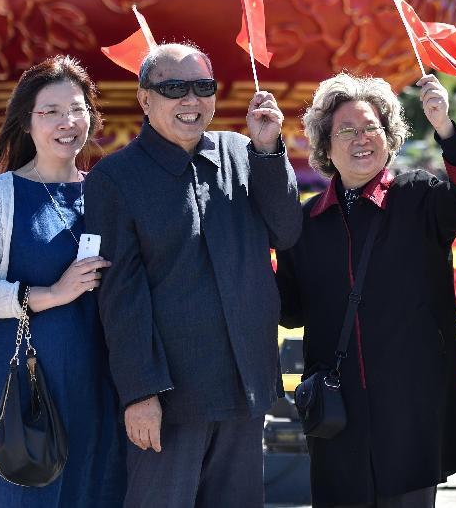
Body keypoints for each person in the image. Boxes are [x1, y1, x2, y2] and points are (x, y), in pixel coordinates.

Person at [84, 43, 302, 508]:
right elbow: (121, 296)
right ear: (145, 99)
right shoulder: (115, 179)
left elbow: (286, 230)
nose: (191, 100)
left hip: (245, 387)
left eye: (203, 87)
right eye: (173, 88)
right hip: (170, 399)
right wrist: (140, 393)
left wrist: (268, 151)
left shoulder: (242, 151)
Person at [276, 72, 456, 507]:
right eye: (347, 130)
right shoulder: (307, 223)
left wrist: (446, 129)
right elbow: (291, 311)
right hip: (337, 414)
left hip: (410, 409)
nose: (362, 139)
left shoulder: (419, 196)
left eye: (371, 127)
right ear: (325, 144)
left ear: (389, 137)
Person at [0, 56, 125, 507]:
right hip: (21, 385)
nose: (68, 122)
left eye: (78, 109)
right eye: (51, 112)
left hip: (98, 384)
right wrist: (50, 295)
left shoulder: (106, 194)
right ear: (27, 121)